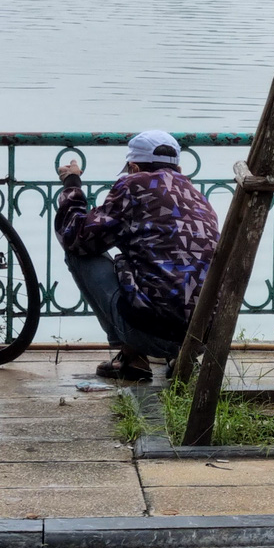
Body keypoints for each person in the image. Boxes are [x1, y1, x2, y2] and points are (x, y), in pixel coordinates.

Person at [54, 130, 220, 383]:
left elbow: (76, 238)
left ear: (133, 167)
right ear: (179, 167)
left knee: (80, 255)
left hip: (152, 333)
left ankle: (132, 358)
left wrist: (72, 185)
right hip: (202, 337)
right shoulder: (197, 196)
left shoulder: (134, 185)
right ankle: (178, 357)